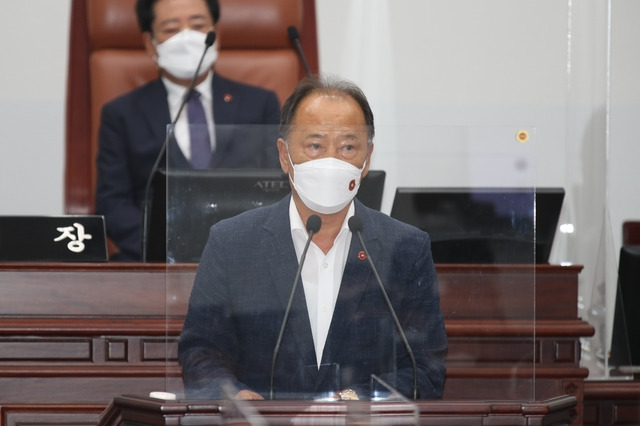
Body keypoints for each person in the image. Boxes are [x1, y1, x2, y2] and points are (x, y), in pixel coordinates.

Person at [178, 76, 447, 401]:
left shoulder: (405, 248)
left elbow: (425, 370)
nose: (331, 161)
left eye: (348, 147)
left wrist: (349, 403)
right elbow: (201, 352)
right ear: (284, 155)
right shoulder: (232, 242)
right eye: (315, 145)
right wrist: (233, 398)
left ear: (367, 159)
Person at [95, 0, 281, 261]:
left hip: (246, 258)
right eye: (171, 29)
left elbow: (278, 188)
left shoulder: (260, 104)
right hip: (155, 263)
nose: (186, 37)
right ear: (150, 44)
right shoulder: (122, 113)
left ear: (217, 35)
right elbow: (112, 202)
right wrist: (164, 248)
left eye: (197, 25)